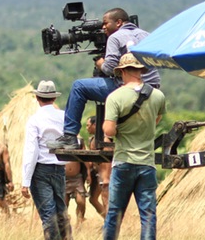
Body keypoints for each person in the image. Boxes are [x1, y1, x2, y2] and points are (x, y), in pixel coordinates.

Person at [48, 8, 161, 150]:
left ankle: (70, 136)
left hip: (127, 89)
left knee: (79, 87)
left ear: (119, 22)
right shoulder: (146, 35)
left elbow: (109, 68)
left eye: (106, 23)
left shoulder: (115, 37)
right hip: (151, 88)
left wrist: (101, 63)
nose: (103, 27)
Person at [100, 53, 166, 240]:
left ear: (122, 71)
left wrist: (110, 127)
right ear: (140, 70)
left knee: (114, 215)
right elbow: (156, 121)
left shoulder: (115, 97)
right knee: (148, 216)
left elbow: (109, 131)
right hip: (147, 164)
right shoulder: (157, 96)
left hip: (124, 162)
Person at [21, 81, 74, 240]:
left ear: (37, 98)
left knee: (48, 213)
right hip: (59, 168)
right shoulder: (64, 116)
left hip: (41, 170)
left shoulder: (34, 120)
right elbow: (70, 140)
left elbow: (31, 151)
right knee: (61, 211)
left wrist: (25, 181)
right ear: (53, 97)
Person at [85, 116, 106, 218]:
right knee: (93, 199)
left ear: (94, 125)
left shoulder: (104, 139)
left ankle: (110, 223)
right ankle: (108, 221)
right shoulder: (92, 139)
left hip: (103, 173)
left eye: (88, 125)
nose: (86, 128)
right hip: (96, 173)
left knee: (104, 197)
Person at [64, 160, 87, 227]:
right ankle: (65, 221)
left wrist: (88, 171)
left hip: (77, 177)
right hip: (64, 177)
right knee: (64, 203)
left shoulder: (78, 148)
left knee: (81, 201)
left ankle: (80, 220)